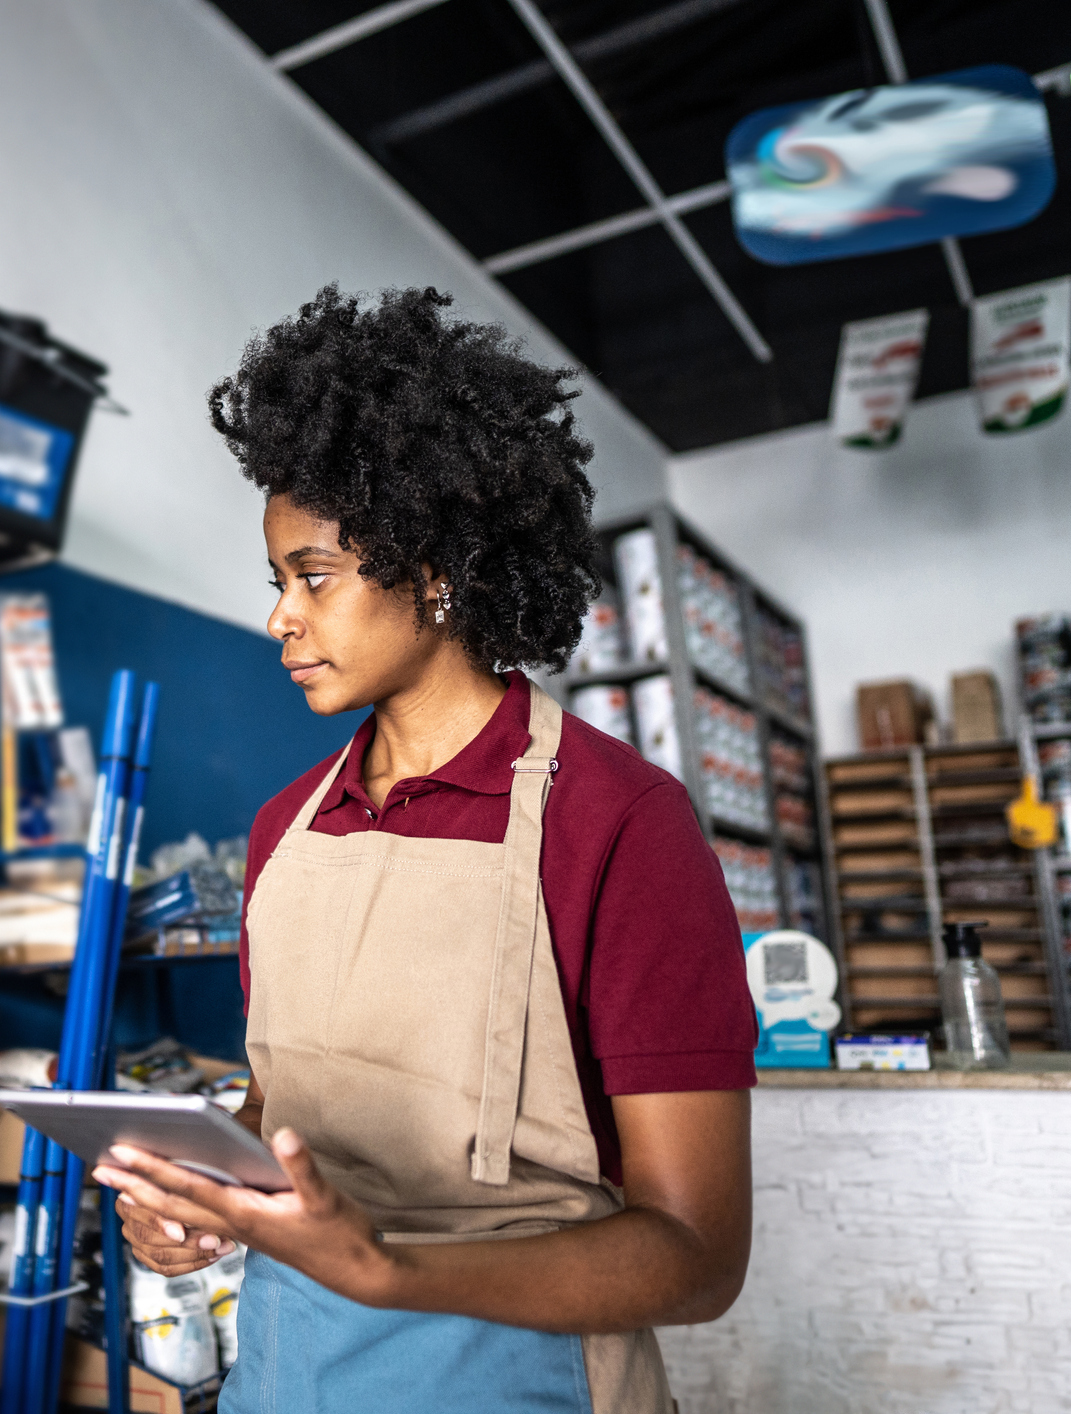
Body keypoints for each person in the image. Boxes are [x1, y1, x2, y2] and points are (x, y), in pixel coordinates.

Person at [92, 286, 757, 1413]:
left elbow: (696, 1253)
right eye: (277, 583)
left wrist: (390, 1269)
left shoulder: (620, 824)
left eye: (315, 577)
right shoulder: (285, 834)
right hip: (286, 1375)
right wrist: (205, 1195)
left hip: (520, 1383)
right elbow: (286, 1105)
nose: (280, 618)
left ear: (435, 571)